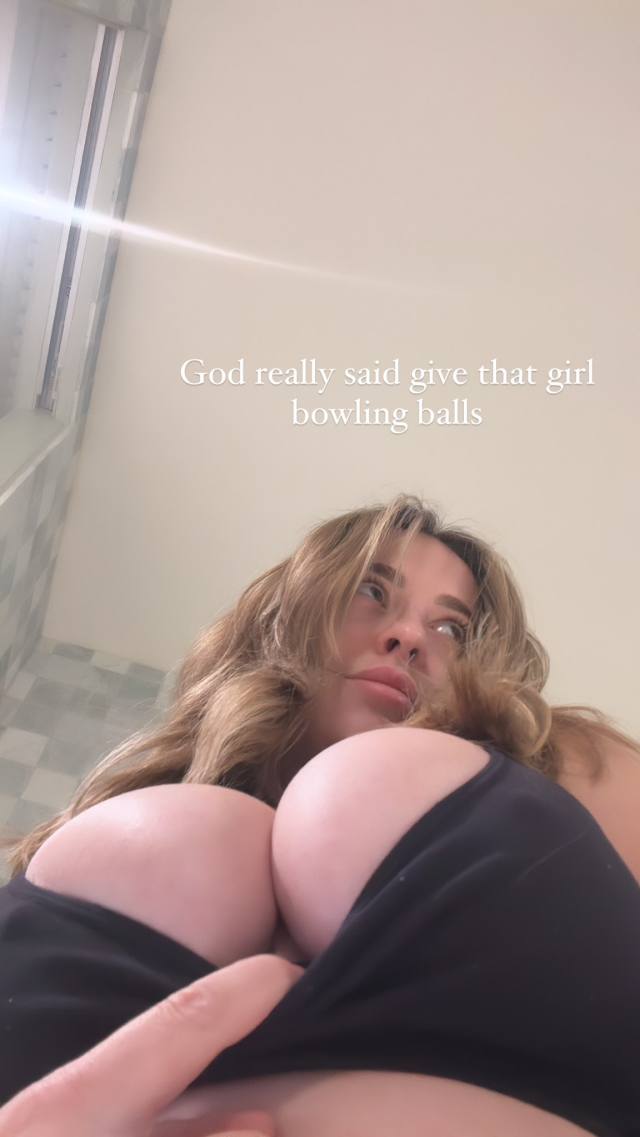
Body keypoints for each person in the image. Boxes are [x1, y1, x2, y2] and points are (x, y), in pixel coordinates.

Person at [1, 493, 639, 1137]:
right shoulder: (128, 835)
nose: (410, 637)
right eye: (371, 591)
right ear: (291, 615)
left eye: (452, 629)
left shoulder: (570, 764)